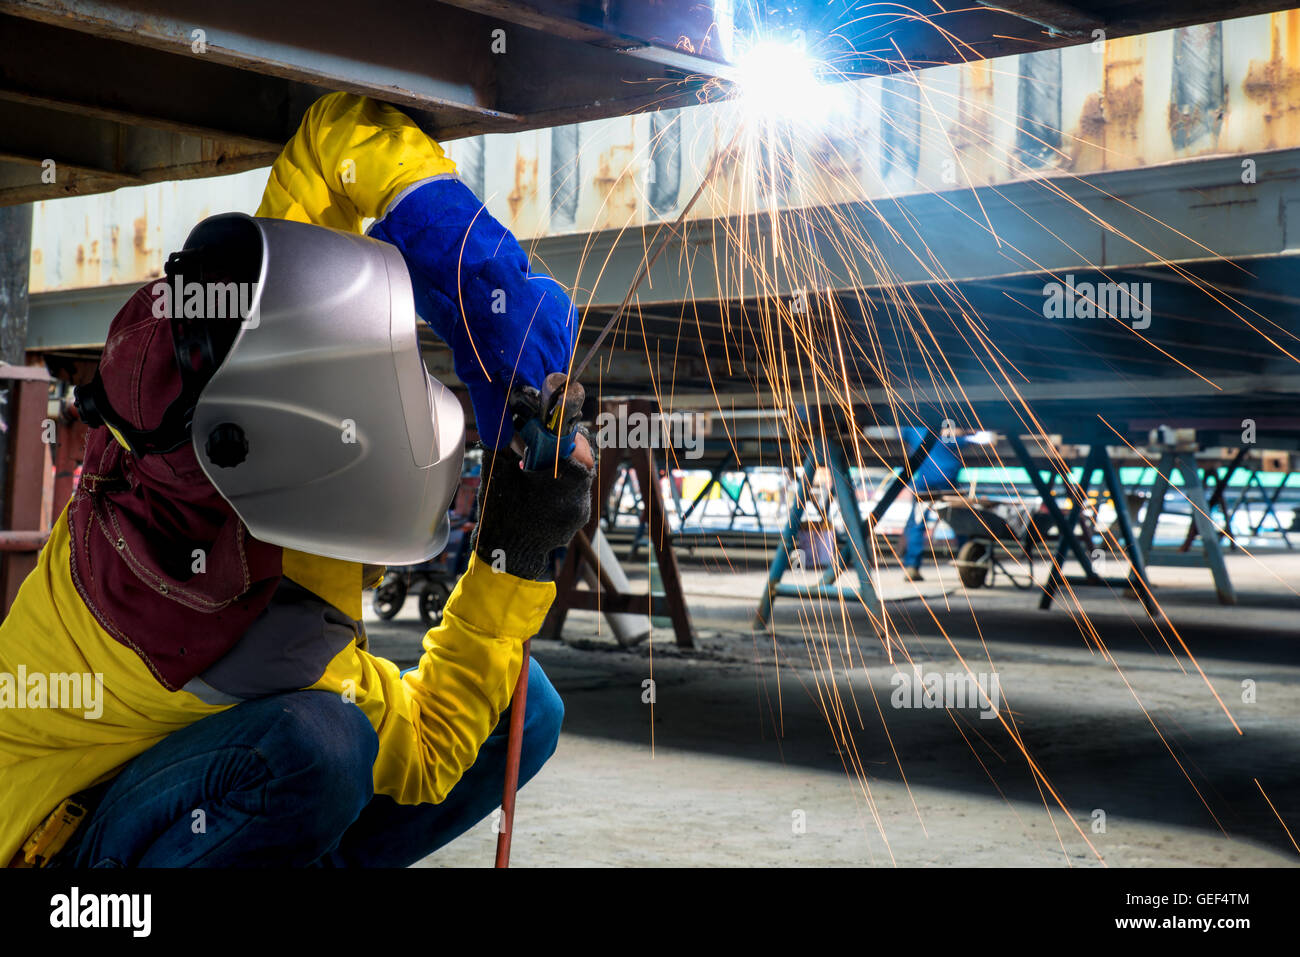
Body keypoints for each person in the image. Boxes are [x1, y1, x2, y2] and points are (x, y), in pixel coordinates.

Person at [0, 93, 591, 867]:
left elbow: (326, 148)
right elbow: (431, 747)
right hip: (69, 857)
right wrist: (512, 555)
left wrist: (449, 235)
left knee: (521, 704)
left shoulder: (188, 446)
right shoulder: (267, 644)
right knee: (320, 748)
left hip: (177, 781)